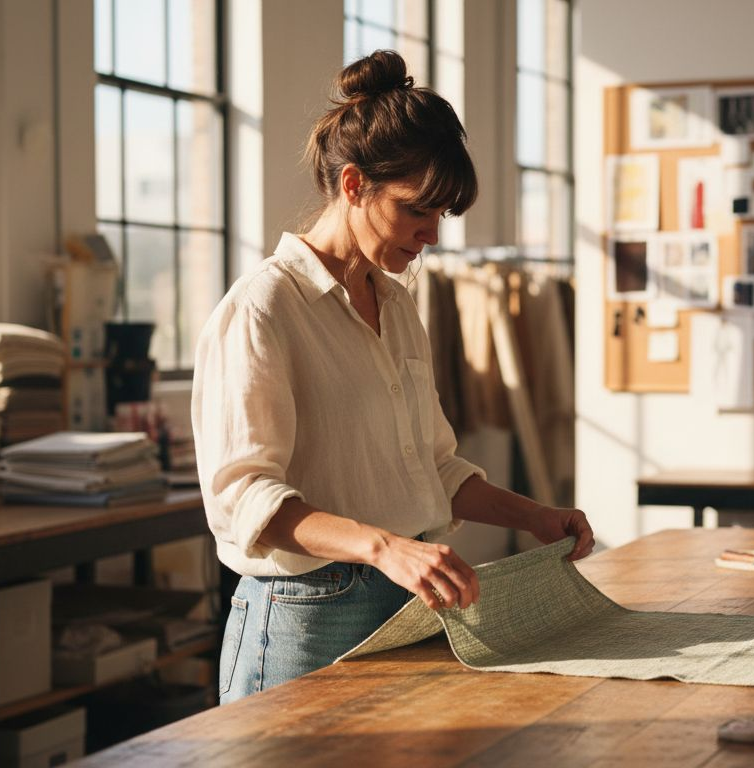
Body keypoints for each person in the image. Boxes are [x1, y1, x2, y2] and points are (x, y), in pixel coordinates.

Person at [192, 50, 595, 705]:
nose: (432, 234)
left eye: (441, 216)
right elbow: (246, 504)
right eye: (417, 211)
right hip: (303, 620)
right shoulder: (263, 308)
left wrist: (536, 516)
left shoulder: (398, 304)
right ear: (354, 185)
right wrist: (384, 548)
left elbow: (431, 469)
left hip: (406, 608)